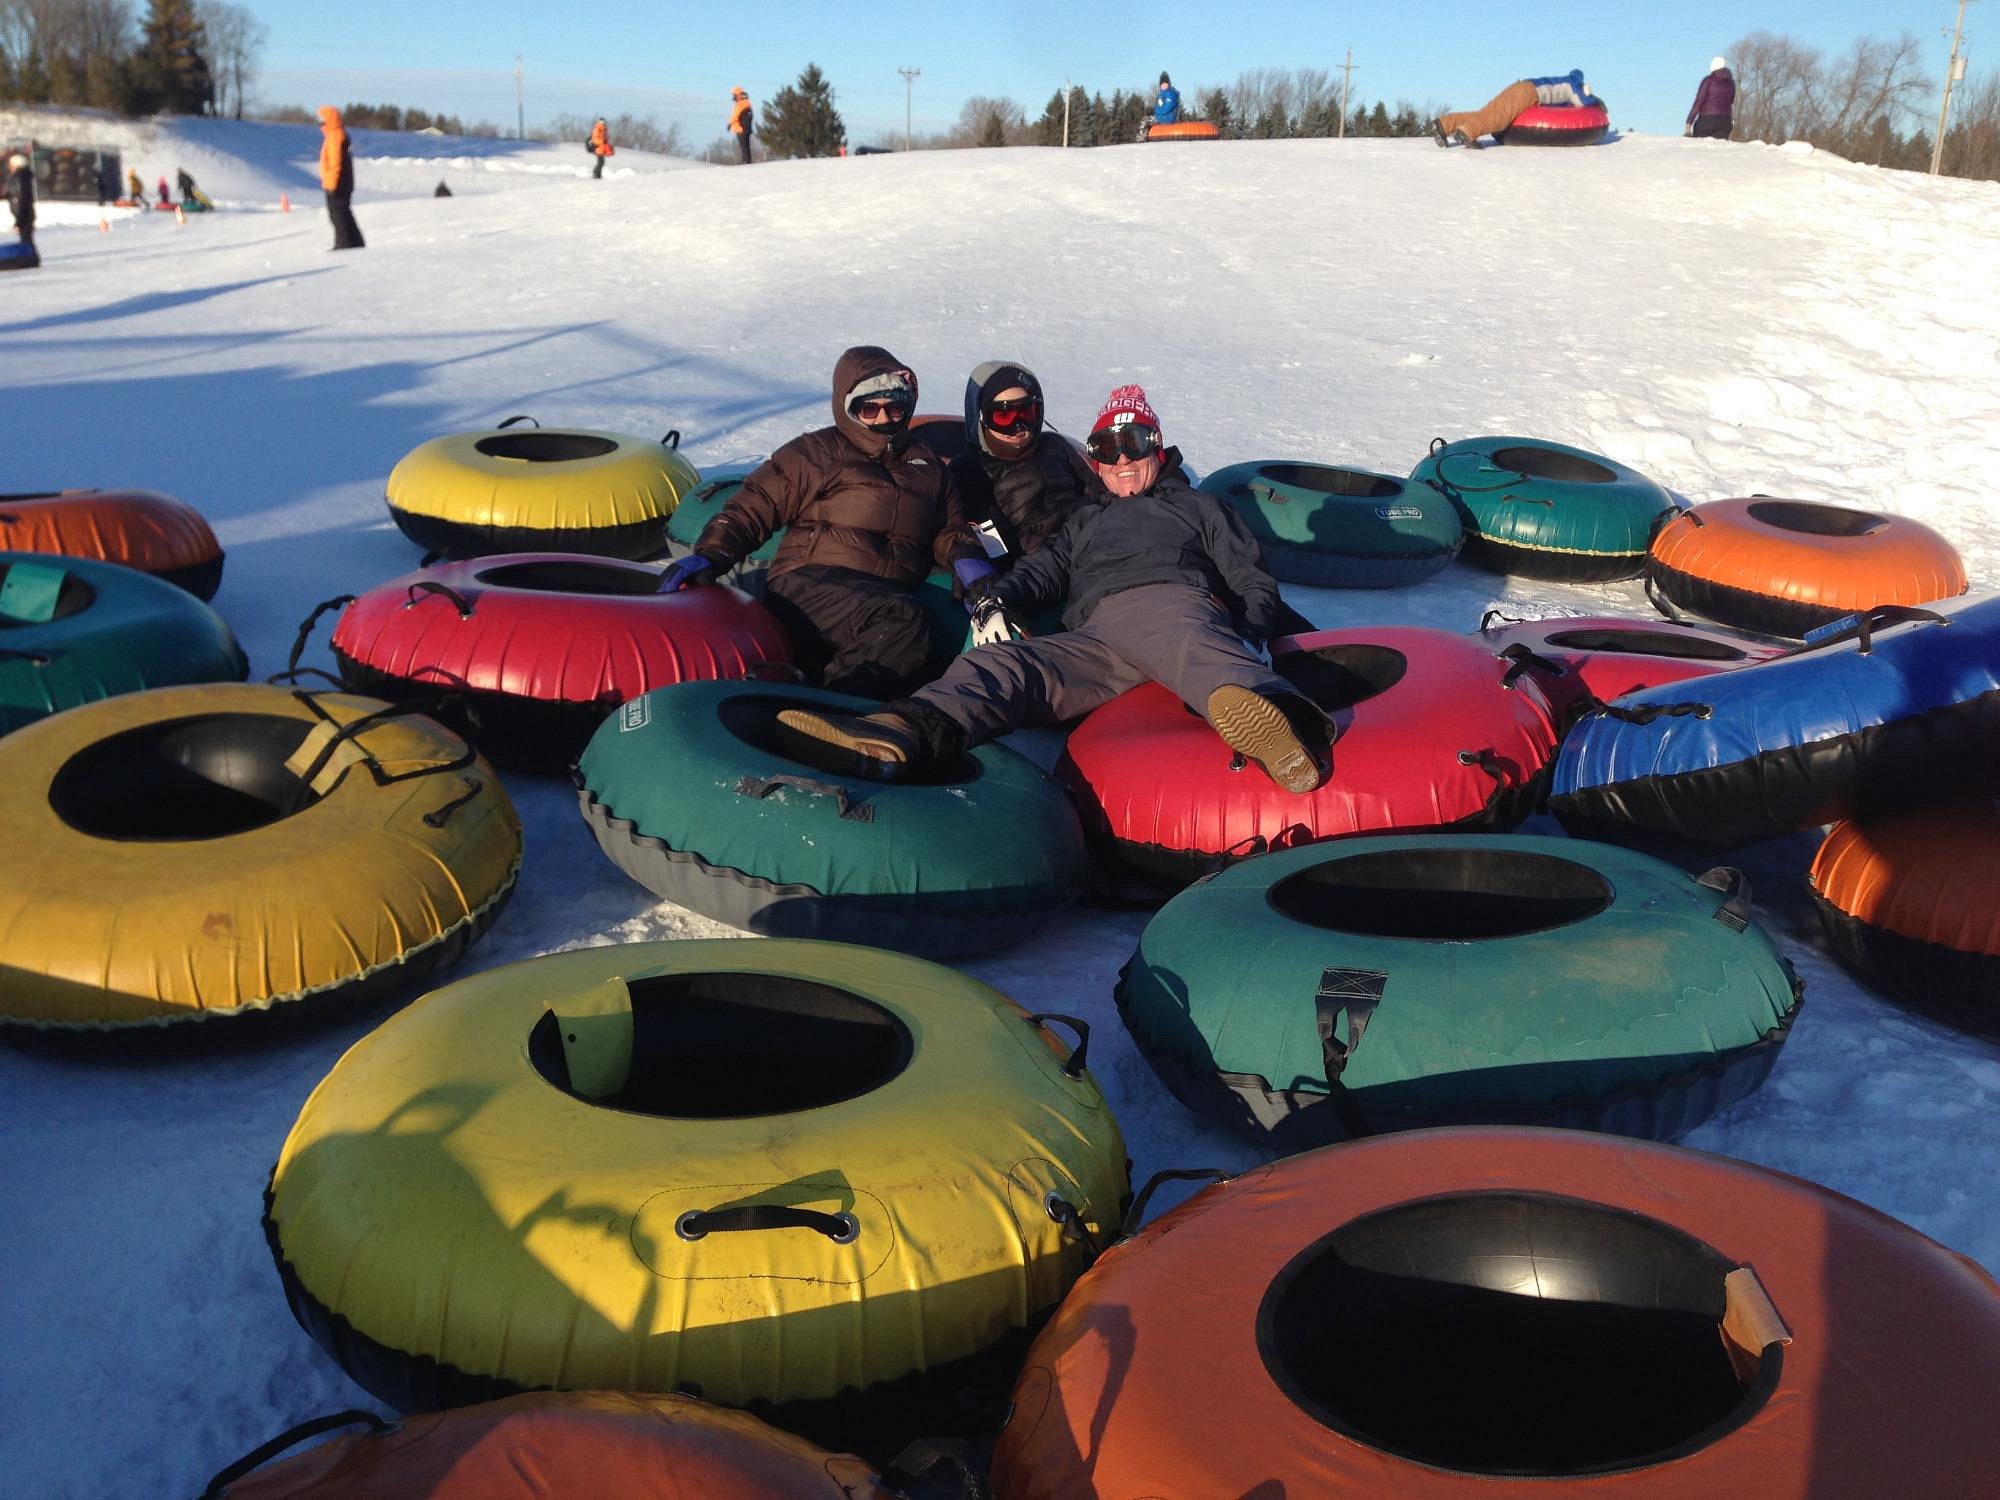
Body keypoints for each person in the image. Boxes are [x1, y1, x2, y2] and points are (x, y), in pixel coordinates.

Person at [773, 384, 1332, 796]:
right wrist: (998, 597)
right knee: (1002, 669)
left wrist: (1258, 630)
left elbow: (1249, 577)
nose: (1120, 462)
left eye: (1133, 444)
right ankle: (901, 732)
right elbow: (1044, 569)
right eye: (1105, 450)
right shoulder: (1085, 520)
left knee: (1183, 642)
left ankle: (1286, 726)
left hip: (1168, 602)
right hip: (1097, 637)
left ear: (1157, 447)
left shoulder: (1199, 507)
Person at [662, 346, 990, 699]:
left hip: (880, 594)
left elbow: (949, 528)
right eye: (870, 408)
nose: (884, 418)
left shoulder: (927, 465)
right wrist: (712, 554)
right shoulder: (818, 453)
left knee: (912, 638)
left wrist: (967, 558)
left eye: (894, 407)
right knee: (903, 620)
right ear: (848, 407)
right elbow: (756, 505)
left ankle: (851, 709)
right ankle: (827, 710)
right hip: (812, 582)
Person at [950, 361, 1097, 567]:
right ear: (981, 417)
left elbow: (1099, 493)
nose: (1019, 427)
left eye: (1027, 414)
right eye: (1004, 416)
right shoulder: (971, 470)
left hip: (1094, 546)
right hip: (1039, 568)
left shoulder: (1055, 446)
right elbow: (997, 546)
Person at [1434, 68, 1598, 149]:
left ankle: (1444, 124)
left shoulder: (1562, 83)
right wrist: (1595, 101)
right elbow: (1581, 102)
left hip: (1524, 88)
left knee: (1489, 113)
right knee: (1498, 117)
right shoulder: (1572, 85)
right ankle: (1468, 132)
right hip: (1528, 93)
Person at [318, 105, 365, 250]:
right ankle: (356, 242)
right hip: (342, 182)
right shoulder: (338, 134)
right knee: (344, 212)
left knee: (337, 214)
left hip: (337, 183)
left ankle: (343, 243)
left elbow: (335, 162)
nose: (320, 122)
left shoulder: (334, 136)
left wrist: (331, 184)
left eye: (322, 118)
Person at [1687, 57, 1735, 140]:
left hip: (1707, 120)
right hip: (1725, 121)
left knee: (1700, 147)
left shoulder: (1708, 80)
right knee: (1719, 149)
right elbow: (1731, 101)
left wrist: (1689, 121)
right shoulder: (1731, 83)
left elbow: (1699, 100)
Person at [5, 151, 33, 251]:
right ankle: (29, 255)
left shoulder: (20, 177)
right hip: (22, 212)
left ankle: (30, 257)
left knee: (26, 237)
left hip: (23, 212)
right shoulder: (19, 176)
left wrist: (19, 220)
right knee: (25, 237)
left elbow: (22, 197)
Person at [728, 87, 755, 165]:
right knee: (746, 146)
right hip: (747, 128)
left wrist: (729, 123)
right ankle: (747, 160)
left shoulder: (740, 104)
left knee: (743, 146)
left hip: (740, 129)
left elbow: (735, 115)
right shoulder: (748, 104)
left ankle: (745, 161)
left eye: (734, 95)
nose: (733, 97)